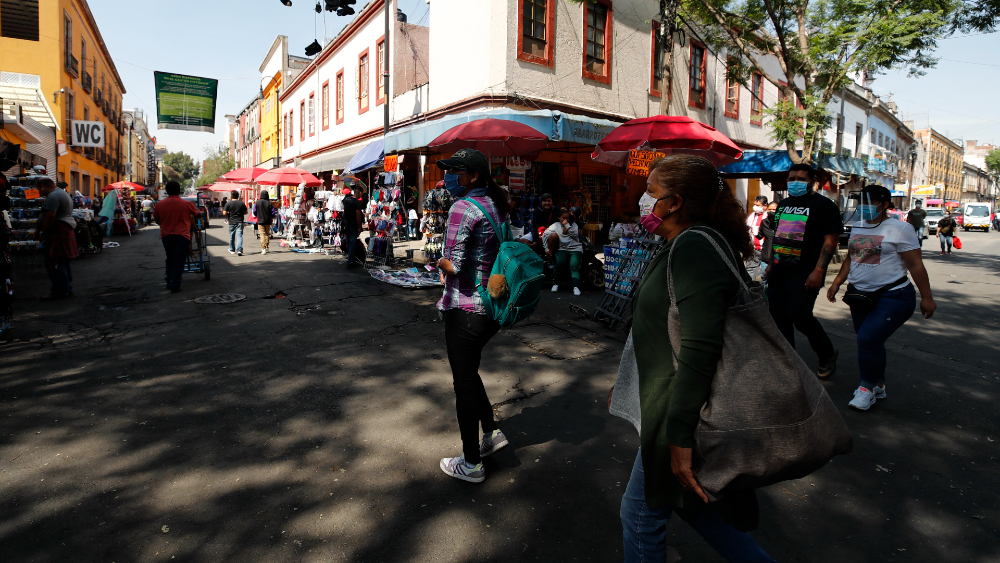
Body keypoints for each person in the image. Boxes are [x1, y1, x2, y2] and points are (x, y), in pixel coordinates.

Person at [617, 154, 774, 563]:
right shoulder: (681, 242)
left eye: (650, 193)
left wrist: (679, 437)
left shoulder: (694, 247)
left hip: (682, 413)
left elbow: (699, 351)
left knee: (639, 517)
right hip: (672, 408)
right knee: (698, 508)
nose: (643, 200)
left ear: (675, 202)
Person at [434, 148, 512, 484]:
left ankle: (471, 463)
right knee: (469, 372)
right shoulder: (497, 204)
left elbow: (453, 265)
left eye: (456, 171)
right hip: (492, 307)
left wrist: (438, 261)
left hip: (465, 308)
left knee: (463, 382)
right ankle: (492, 433)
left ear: (475, 176)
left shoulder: (462, 207)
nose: (449, 177)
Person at [827, 185, 936, 410]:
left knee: (867, 339)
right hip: (860, 296)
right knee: (871, 341)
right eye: (861, 203)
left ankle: (865, 389)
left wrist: (927, 297)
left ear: (885, 204)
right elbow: (852, 257)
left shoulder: (901, 229)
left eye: (869, 203)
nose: (864, 208)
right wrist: (837, 282)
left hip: (894, 296)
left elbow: (915, 264)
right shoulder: (858, 225)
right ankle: (878, 384)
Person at [766, 164, 843, 378]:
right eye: (791, 178)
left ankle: (827, 353)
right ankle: (787, 362)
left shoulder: (824, 206)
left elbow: (831, 240)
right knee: (778, 317)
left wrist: (819, 271)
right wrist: (772, 264)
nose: (795, 182)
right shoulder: (783, 205)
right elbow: (778, 235)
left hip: (806, 272)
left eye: (800, 178)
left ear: (811, 181)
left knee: (799, 314)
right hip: (780, 271)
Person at [33, 178, 78, 300]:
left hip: (57, 230)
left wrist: (43, 231)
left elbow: (50, 215)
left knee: (55, 261)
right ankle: (67, 288)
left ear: (43, 186)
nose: (40, 193)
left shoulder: (53, 196)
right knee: (63, 261)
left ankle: (60, 290)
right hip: (63, 228)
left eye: (39, 189)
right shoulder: (62, 193)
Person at [153, 181, 200, 293]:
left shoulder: (159, 204)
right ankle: (174, 284)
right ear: (179, 190)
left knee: (170, 258)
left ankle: (169, 280)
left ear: (167, 191)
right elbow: (198, 214)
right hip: (182, 236)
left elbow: (156, 220)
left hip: (167, 236)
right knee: (179, 260)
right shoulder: (186, 204)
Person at [545, 209, 583, 296]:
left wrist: (567, 226)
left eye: (567, 218)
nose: (565, 220)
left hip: (575, 249)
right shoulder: (555, 225)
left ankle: (576, 286)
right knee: (560, 263)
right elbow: (546, 234)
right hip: (563, 248)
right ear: (559, 218)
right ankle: (555, 284)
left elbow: (574, 235)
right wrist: (546, 248)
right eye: (563, 218)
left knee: (574, 266)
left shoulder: (573, 225)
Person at [745, 195, 768, 279]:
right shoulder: (752, 216)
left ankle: (765, 290)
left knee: (765, 272)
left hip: (765, 250)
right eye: (755, 205)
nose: (755, 207)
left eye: (758, 205)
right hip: (753, 248)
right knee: (750, 269)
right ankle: (751, 288)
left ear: (765, 206)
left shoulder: (769, 217)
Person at [341, 187, 364, 266]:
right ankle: (350, 260)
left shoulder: (346, 200)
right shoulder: (357, 202)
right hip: (353, 224)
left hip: (346, 224)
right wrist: (359, 227)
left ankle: (350, 258)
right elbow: (358, 216)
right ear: (359, 193)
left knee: (348, 241)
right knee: (352, 242)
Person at [223, 190, 248, 256]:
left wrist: (229, 213)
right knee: (239, 236)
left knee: (232, 236)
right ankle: (239, 250)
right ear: (238, 196)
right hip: (240, 221)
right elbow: (246, 212)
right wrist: (240, 213)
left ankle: (232, 249)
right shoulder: (241, 203)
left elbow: (224, 213)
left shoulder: (228, 203)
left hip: (231, 222)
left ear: (231, 196)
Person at [254, 190, 273, 255]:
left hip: (260, 221)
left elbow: (254, 211)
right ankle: (267, 246)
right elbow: (272, 212)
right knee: (267, 234)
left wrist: (257, 214)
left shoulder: (257, 202)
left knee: (262, 234)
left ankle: (263, 248)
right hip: (268, 221)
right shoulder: (269, 203)